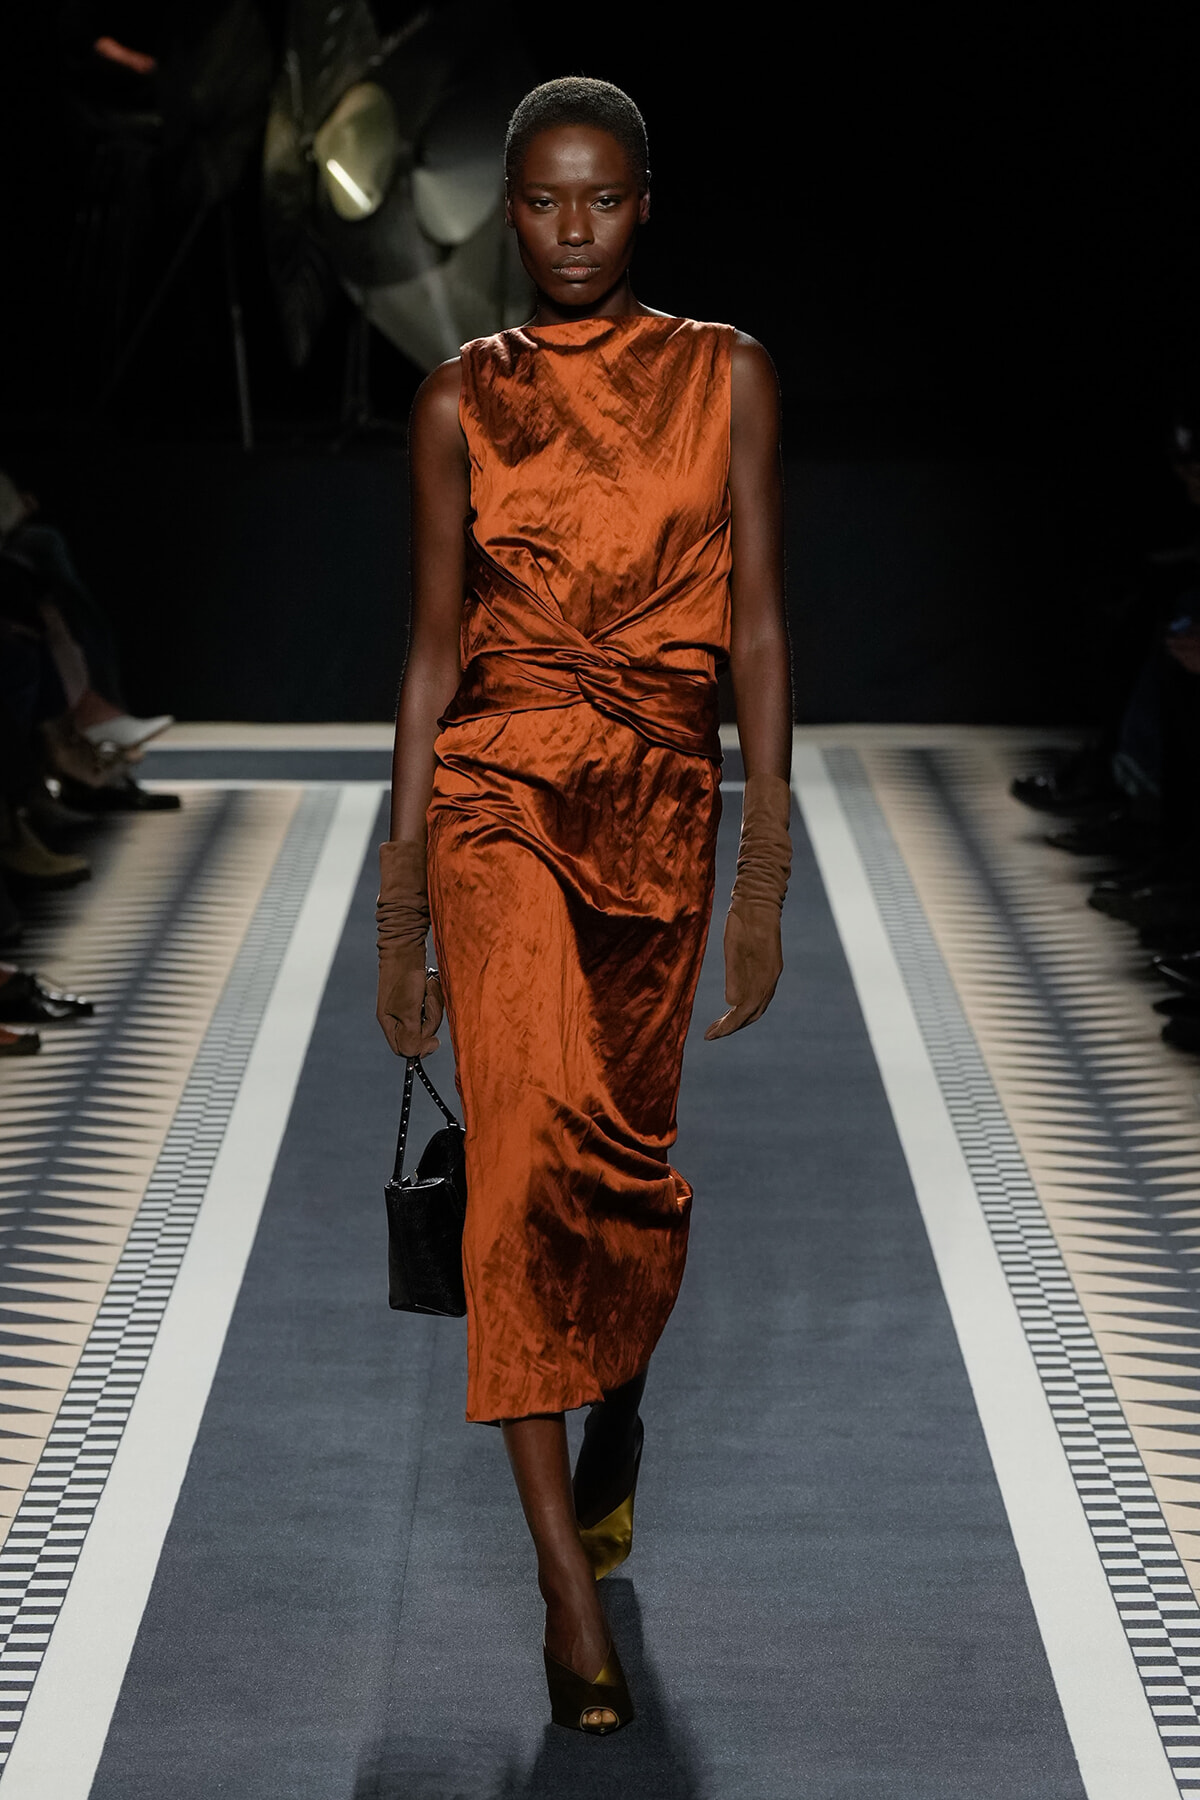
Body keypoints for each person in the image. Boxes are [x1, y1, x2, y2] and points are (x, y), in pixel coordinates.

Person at [375, 77, 793, 1735]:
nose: (568, 231)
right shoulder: (453, 404)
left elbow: (757, 630)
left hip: (663, 809)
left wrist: (762, 877)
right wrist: (399, 904)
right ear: (508, 209)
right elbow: (427, 648)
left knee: (619, 1184)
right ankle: (564, 1594)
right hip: (499, 794)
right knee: (522, 1166)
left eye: (599, 201)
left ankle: (612, 1402)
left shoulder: (730, 374)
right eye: (542, 201)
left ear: (642, 204)